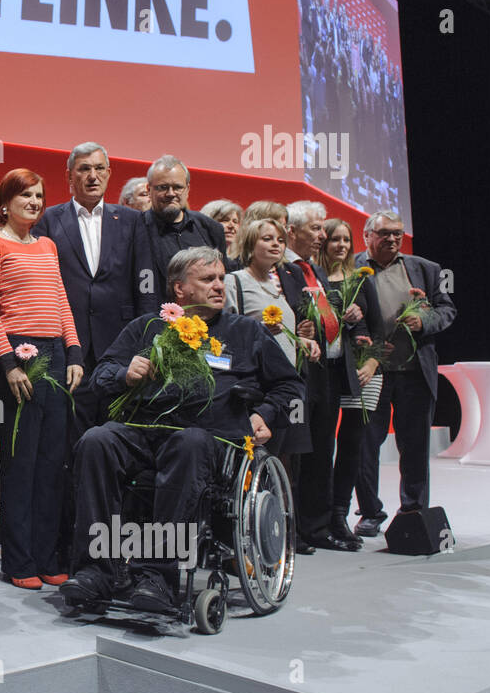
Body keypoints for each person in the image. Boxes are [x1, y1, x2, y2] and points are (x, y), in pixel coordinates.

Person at [63, 248, 304, 609]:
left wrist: (265, 414)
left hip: (209, 440)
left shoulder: (245, 332)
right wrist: (125, 374)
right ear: (179, 289)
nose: (220, 286)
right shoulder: (148, 328)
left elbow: (291, 386)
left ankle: (157, 576)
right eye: (208, 279)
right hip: (143, 431)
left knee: (188, 444)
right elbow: (101, 375)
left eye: (221, 278)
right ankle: (96, 570)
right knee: (97, 440)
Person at [0, 168, 83, 589]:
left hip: (56, 354)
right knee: (20, 463)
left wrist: (74, 352)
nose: (36, 202)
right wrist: (8, 363)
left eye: (40, 195)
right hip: (19, 355)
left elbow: (62, 302)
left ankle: (47, 555)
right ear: (5, 203)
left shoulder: (48, 245)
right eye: (26, 196)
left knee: (52, 462)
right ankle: (19, 562)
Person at [353, 211, 455, 532]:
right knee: (364, 446)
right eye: (385, 233)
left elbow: (447, 309)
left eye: (397, 233)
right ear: (367, 234)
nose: (393, 239)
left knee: (415, 447)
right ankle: (370, 513)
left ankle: (413, 512)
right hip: (373, 372)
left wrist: (424, 321)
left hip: (414, 374)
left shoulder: (426, 269)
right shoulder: (351, 269)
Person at [283, 201, 365, 552]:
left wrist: (349, 318)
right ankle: (293, 529)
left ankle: (317, 528)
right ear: (293, 231)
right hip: (298, 372)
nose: (322, 235)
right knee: (298, 454)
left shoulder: (315, 269)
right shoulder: (281, 269)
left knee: (321, 451)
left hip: (328, 372)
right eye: (316, 228)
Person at [34, 142, 156, 375]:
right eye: (84, 169)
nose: (93, 176)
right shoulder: (48, 220)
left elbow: (145, 281)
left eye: (100, 169)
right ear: (69, 176)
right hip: (67, 346)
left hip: (121, 341)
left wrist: (147, 339)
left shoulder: (133, 220)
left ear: (109, 174)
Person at [224, 219, 320, 478]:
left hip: (283, 386)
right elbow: (223, 333)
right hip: (255, 386)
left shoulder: (279, 286)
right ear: (249, 243)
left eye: (279, 239)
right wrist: (256, 328)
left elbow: (284, 337)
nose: (276, 244)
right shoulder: (234, 282)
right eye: (267, 239)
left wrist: (303, 342)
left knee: (283, 465)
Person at [319, 217, 384, 547]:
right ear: (323, 242)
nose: (342, 245)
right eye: (335, 239)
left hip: (363, 372)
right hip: (326, 372)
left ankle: (339, 515)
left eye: (346, 240)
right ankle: (317, 515)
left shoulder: (361, 280)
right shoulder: (312, 279)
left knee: (351, 447)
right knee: (322, 446)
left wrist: (372, 363)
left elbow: (379, 330)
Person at [138, 155, 230, 299]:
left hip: (203, 318)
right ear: (149, 189)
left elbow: (223, 278)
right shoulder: (135, 229)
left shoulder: (211, 228)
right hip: (155, 317)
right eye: (163, 187)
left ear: (187, 189)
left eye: (177, 187)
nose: (170, 193)